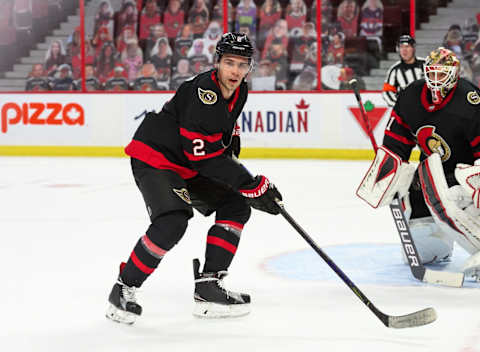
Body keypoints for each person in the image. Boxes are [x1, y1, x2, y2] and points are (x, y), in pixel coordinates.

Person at [106, 32, 283, 325]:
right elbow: (202, 156)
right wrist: (250, 184)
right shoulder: (204, 92)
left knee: (236, 206)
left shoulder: (240, 90)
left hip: (188, 163)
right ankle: (123, 289)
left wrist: (233, 147)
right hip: (157, 158)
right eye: (229, 63)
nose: (235, 71)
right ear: (217, 63)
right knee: (172, 221)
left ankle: (209, 286)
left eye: (242, 64)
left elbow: (220, 136)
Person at [357, 47, 480, 281]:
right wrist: (389, 173)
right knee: (417, 234)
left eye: (441, 74)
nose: (435, 81)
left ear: (454, 74)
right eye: (431, 74)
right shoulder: (410, 97)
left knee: (451, 197)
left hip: (464, 173)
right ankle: (438, 247)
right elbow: (396, 143)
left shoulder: (469, 99)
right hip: (431, 174)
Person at [382, 35, 425, 107]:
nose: (404, 50)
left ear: (413, 48)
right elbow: (387, 92)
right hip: (408, 112)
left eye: (407, 46)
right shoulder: (395, 70)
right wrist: (400, 106)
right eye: (401, 47)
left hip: (428, 110)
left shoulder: (426, 64)